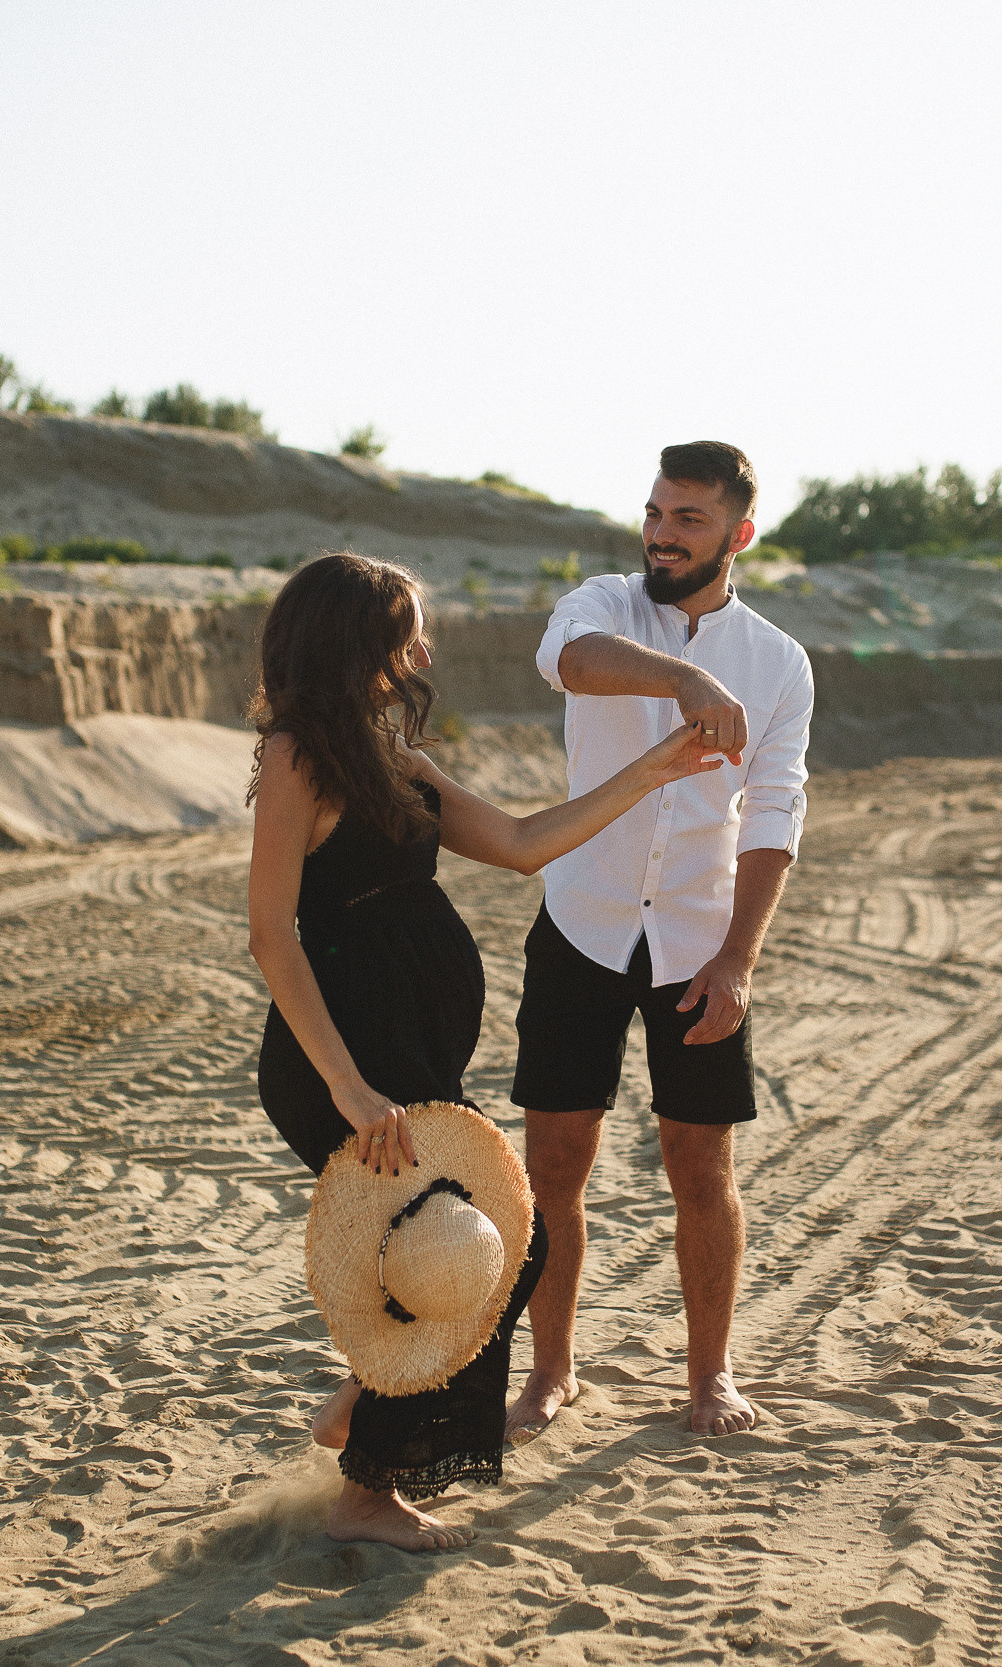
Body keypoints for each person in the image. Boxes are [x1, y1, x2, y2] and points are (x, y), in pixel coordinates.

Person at [247, 550, 722, 1552]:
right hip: (345, 1055)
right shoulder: (297, 756)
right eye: (405, 630)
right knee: (475, 1242)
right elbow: (271, 933)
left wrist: (652, 770)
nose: (421, 649)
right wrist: (347, 1081)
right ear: (355, 640)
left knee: (483, 1241)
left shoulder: (393, 756)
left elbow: (519, 841)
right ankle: (366, 1487)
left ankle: (368, 1403)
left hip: (407, 1046)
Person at [507, 441, 813, 1440]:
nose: (660, 533)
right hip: (581, 919)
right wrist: (682, 675)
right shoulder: (600, 604)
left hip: (696, 935)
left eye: (686, 518)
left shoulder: (778, 662)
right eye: (652, 511)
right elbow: (567, 664)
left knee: (700, 1165)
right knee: (553, 1160)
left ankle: (708, 1375)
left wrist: (737, 958)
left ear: (739, 534)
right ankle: (550, 1370)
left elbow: (773, 812)